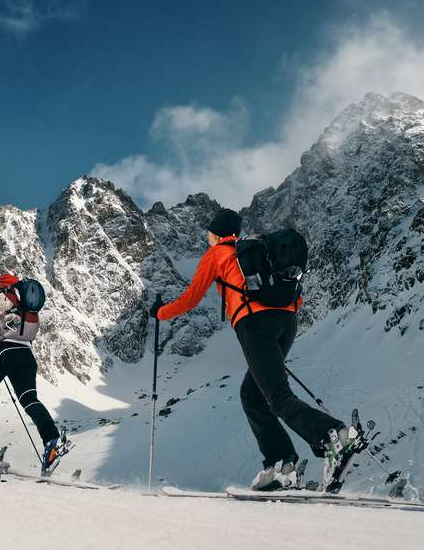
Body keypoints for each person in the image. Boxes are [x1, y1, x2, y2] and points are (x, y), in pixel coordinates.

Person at [150, 208, 362, 492]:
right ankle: (281, 465)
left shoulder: (218, 254)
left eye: (209, 233)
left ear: (216, 233)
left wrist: (160, 313)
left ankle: (333, 435)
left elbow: (191, 298)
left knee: (277, 397)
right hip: (287, 322)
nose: (207, 237)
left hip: (255, 325)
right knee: (252, 395)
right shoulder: (258, 252)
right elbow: (293, 297)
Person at [0, 276, 66, 475]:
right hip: (25, 353)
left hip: (3, 352)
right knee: (29, 399)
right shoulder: (3, 301)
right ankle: (52, 442)